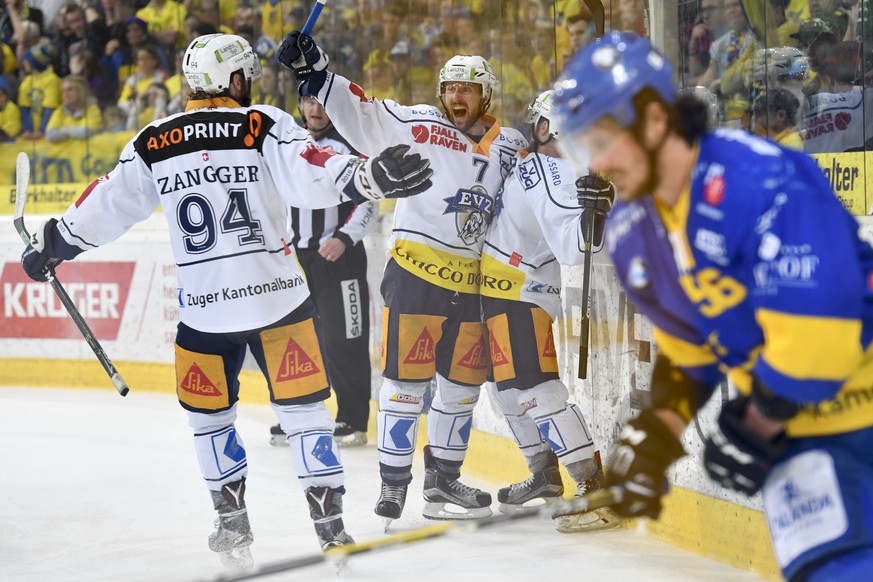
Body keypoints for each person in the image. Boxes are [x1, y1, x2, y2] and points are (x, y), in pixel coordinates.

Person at [20, 33, 433, 566]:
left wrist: (52, 245)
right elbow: (312, 170)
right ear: (234, 80)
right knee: (306, 413)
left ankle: (231, 522)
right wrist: (366, 176)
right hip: (278, 303)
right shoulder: (261, 123)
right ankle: (330, 526)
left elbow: (106, 204)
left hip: (203, 312)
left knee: (209, 421)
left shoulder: (153, 140)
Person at [553, 31, 873, 581]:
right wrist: (655, 436)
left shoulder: (762, 179)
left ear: (654, 121)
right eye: (585, 148)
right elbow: (690, 349)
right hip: (796, 436)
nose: (597, 163)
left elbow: (821, 331)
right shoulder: (632, 234)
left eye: (603, 140)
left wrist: (754, 422)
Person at [277, 31, 527, 527]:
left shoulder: (512, 146)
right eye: (450, 87)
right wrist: (317, 73)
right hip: (417, 273)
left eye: (468, 89)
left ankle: (443, 480)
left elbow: (534, 197)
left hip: (475, 284)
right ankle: (393, 485)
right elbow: (365, 112)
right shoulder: (421, 123)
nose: (457, 97)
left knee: (460, 390)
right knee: (404, 384)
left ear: (486, 95)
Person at [480, 89, 619, 532]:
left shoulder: (548, 167)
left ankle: (593, 487)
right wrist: (594, 212)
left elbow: (575, 246)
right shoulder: (547, 167)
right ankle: (544, 475)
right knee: (506, 394)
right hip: (502, 291)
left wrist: (594, 215)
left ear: (546, 127)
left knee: (536, 390)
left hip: (520, 291)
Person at [269, 95, 375, 449]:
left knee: (345, 338)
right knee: (297, 338)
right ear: (300, 105)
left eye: (322, 103)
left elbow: (368, 198)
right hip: (297, 259)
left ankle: (353, 419)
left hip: (337, 257)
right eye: (308, 102)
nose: (315, 110)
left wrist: (345, 237)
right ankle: (298, 416)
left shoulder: (348, 145)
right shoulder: (288, 144)